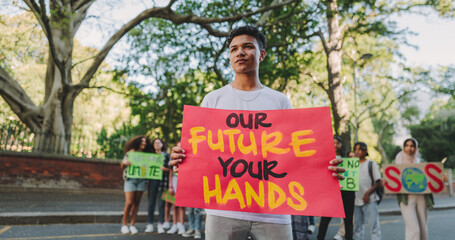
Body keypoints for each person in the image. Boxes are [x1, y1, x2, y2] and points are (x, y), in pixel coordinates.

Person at [169, 25, 345, 240]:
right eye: (233, 49)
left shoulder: (280, 101)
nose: (239, 52)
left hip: (273, 212)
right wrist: (182, 161)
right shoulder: (213, 99)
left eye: (247, 47)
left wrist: (324, 169)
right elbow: (201, 153)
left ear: (261, 54)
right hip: (223, 211)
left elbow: (294, 155)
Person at [317, 136, 355, 240]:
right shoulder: (325, 158)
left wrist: (352, 158)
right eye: (333, 142)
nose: (335, 145)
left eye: (338, 143)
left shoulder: (348, 157)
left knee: (348, 219)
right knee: (325, 219)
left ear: (341, 144)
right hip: (330, 192)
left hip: (347, 192)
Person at [395, 138, 433, 240]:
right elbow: (393, 179)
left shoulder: (421, 161)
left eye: (412, 146)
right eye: (407, 145)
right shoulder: (398, 161)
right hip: (406, 198)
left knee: (423, 227)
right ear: (403, 147)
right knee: (414, 228)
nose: (409, 148)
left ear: (416, 148)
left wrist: (440, 178)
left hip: (421, 197)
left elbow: (430, 178)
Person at [120, 135, 153, 234]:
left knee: (136, 203)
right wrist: (125, 162)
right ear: (138, 142)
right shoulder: (131, 152)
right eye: (142, 141)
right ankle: (124, 224)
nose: (144, 143)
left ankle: (132, 225)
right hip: (130, 179)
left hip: (141, 180)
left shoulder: (147, 154)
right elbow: (122, 165)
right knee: (129, 202)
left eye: (145, 142)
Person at [353, 142, 382, 240]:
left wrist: (367, 193)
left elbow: (378, 181)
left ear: (365, 151)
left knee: (374, 225)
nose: (357, 152)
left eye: (360, 149)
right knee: (357, 226)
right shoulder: (352, 164)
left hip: (370, 199)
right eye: (355, 149)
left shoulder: (371, 164)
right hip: (356, 200)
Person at [145, 138, 172, 233]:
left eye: (159, 142)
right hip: (152, 181)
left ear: (162, 144)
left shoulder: (166, 156)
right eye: (155, 143)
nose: (157, 144)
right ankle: (150, 224)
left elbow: (171, 169)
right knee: (151, 203)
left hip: (163, 182)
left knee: (162, 204)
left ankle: (160, 224)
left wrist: (165, 169)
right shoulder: (150, 156)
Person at [167, 142, 186, 235]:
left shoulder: (187, 158)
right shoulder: (173, 158)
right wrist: (170, 186)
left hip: (183, 182)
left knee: (181, 206)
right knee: (174, 205)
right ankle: (174, 224)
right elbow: (170, 173)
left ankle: (181, 224)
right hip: (174, 182)